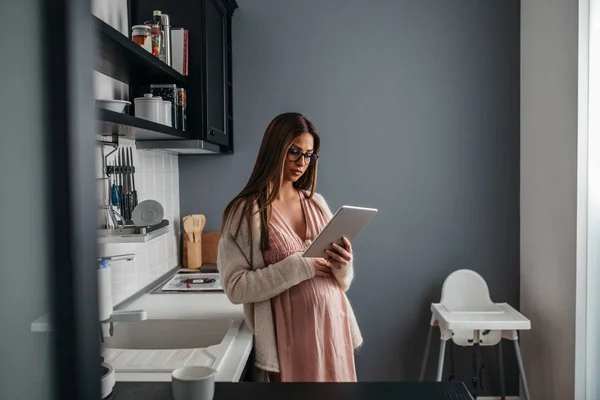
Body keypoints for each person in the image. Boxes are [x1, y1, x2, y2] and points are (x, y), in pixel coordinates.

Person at [217, 112, 363, 382]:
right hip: (290, 339)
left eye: (309, 155)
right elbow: (236, 287)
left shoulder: (316, 202)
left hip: (333, 330)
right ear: (275, 149)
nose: (302, 163)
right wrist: (300, 266)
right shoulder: (246, 211)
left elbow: (341, 282)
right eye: (294, 152)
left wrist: (343, 265)